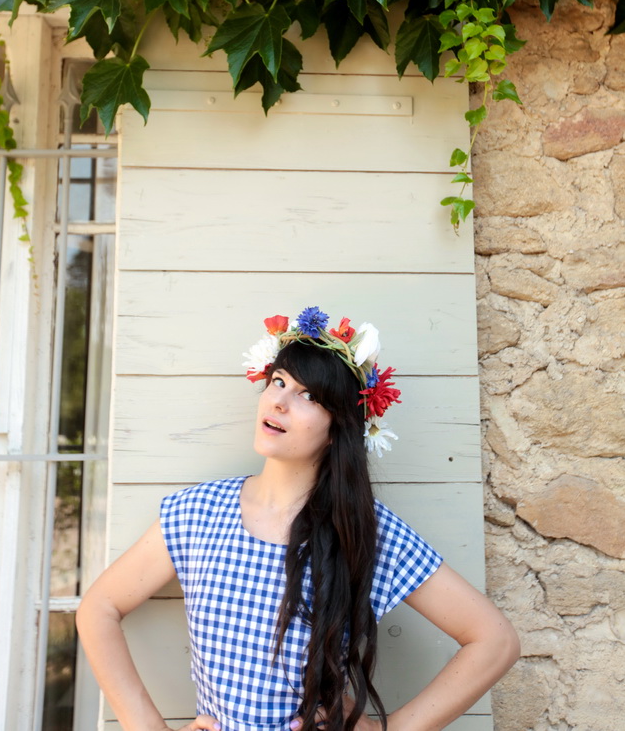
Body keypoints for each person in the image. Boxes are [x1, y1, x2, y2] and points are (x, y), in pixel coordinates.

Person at [76, 307, 519, 731]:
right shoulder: (198, 512)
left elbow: (494, 641)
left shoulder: (364, 531)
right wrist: (147, 726)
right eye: (278, 381)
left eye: (309, 395)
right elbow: (98, 607)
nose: (281, 401)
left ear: (337, 430)